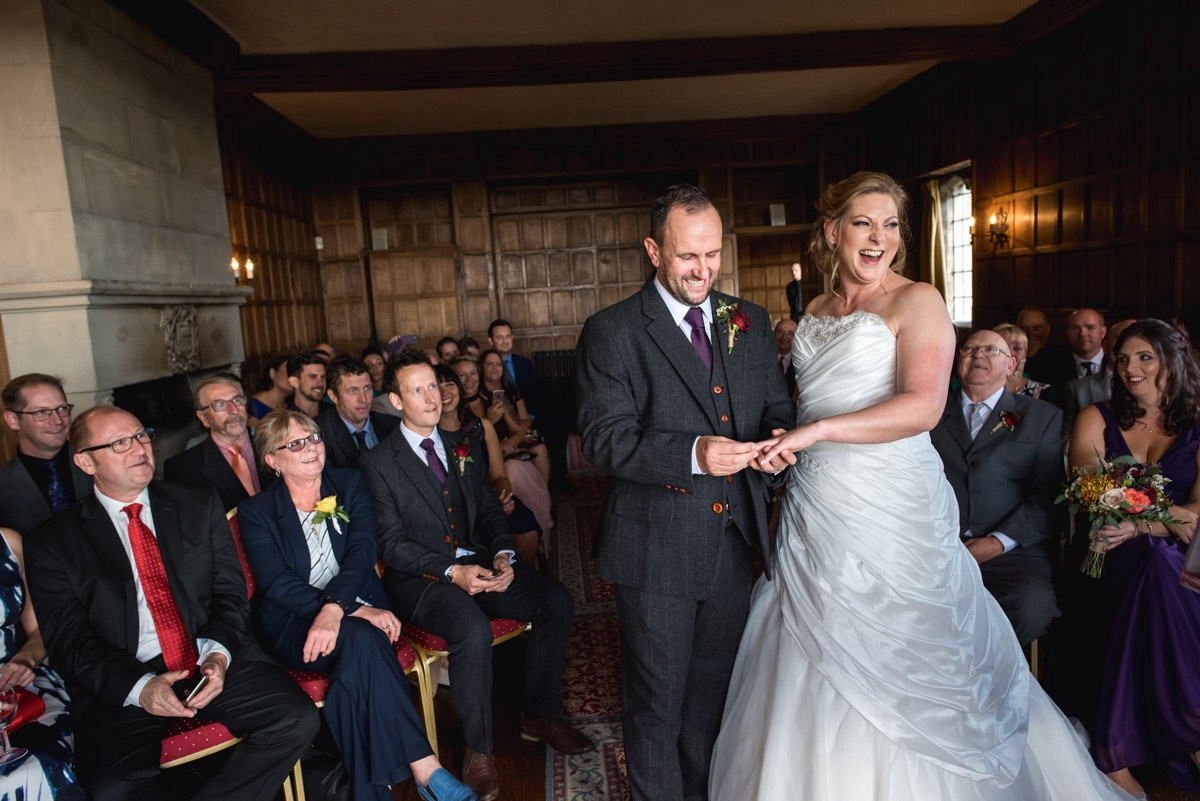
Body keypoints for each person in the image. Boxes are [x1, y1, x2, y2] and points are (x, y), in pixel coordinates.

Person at [709, 171, 1131, 800]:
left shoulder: (919, 300)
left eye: (891, 225)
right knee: (802, 639)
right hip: (815, 505)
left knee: (904, 645)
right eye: (862, 223)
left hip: (891, 506)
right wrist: (783, 445)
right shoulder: (818, 310)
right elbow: (805, 405)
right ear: (832, 231)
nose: (879, 238)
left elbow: (923, 408)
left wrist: (815, 430)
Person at [576, 183, 794, 801]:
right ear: (653, 250)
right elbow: (603, 440)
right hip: (655, 552)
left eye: (712, 254)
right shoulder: (613, 331)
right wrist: (695, 454)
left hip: (733, 544)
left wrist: (779, 444)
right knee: (656, 705)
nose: (703, 270)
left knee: (710, 698)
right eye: (686, 257)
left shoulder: (747, 323)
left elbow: (776, 408)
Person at [25, 405, 319, 801]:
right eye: (119, 443)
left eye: (142, 435)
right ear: (85, 462)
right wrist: (141, 687)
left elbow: (230, 593)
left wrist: (217, 655)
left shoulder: (198, 502)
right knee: (111, 787)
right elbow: (68, 642)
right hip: (125, 676)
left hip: (208, 655)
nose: (139, 449)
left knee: (296, 718)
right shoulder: (53, 542)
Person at [360, 350, 589, 801]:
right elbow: (390, 543)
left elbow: (487, 508)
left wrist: (504, 555)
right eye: (417, 390)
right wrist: (452, 571)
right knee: (470, 628)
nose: (431, 397)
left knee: (555, 601)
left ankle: (538, 717)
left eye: (433, 386)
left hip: (479, 563)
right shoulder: (378, 463)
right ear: (395, 399)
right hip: (421, 581)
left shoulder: (461, 443)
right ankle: (479, 751)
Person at [238, 411, 477, 801]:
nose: (311, 447)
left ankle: (378, 792)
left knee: (358, 660)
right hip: (294, 624)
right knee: (365, 638)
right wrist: (345, 610)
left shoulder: (348, 482)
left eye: (313, 437)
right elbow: (277, 584)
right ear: (272, 461)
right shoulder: (256, 512)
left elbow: (361, 553)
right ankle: (426, 769)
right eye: (294, 444)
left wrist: (339, 608)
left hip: (353, 611)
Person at [1062, 319, 1200, 798]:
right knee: (1155, 567)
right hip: (1104, 550)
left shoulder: (1198, 427)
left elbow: (1198, 520)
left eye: (1144, 357)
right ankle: (1191, 728)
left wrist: (1143, 522)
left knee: (1159, 565)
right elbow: (1089, 489)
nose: (1129, 368)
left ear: (1172, 362)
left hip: (1176, 558)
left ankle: (1115, 746)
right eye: (1122, 358)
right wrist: (1162, 517)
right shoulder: (1095, 418)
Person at [930, 329, 1063, 646]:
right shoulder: (929, 414)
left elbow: (1046, 496)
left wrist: (998, 542)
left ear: (1012, 365)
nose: (978, 355)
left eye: (991, 350)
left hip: (1012, 553)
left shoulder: (1042, 417)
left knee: (1031, 606)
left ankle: (989, 683)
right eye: (970, 349)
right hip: (937, 548)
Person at [0, 526, 86, 800]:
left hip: (17, 685)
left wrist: (26, 658)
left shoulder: (9, 543)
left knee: (43, 764)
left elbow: (40, 630)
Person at [435, 365, 541, 565]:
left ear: (458, 388)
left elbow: (499, 476)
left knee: (526, 525)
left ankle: (521, 579)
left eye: (449, 384)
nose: (444, 392)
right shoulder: (428, 435)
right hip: (454, 511)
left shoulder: (482, 426)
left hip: (488, 501)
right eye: (437, 387)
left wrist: (502, 499)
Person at [455, 356, 552, 534]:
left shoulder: (492, 399)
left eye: (473, 374)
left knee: (516, 468)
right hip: (479, 466)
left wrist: (504, 445)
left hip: (505, 456)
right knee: (512, 470)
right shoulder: (455, 410)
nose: (469, 380)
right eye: (462, 375)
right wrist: (488, 422)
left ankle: (535, 530)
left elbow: (519, 431)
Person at [0, 374, 92, 535]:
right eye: (41, 412)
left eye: (62, 409)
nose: (57, 420)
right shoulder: (4, 486)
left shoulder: (98, 461)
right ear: (13, 420)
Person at [165, 375, 271, 512]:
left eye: (237, 400)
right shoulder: (182, 468)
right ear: (204, 418)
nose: (233, 410)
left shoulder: (273, 445)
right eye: (220, 404)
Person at [477, 349, 550, 485]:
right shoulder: (479, 393)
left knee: (539, 448)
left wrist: (515, 435)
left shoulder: (511, 389)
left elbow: (526, 420)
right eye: (489, 364)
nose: (495, 368)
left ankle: (543, 493)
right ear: (482, 367)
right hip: (493, 440)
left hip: (514, 435)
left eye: (498, 364)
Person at [316, 357, 399, 470]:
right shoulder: (317, 435)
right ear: (333, 396)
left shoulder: (393, 426)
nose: (363, 399)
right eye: (353, 391)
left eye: (367, 388)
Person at [1062, 319, 1135, 437]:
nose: (1129, 344)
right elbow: (1066, 439)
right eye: (1122, 337)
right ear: (1105, 346)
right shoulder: (1077, 389)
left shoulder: (1156, 389)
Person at [487, 320, 539, 419]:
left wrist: (530, 418)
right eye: (499, 337)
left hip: (527, 417)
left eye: (508, 336)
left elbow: (534, 395)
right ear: (490, 340)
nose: (505, 341)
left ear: (512, 337)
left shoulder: (525, 363)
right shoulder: (486, 366)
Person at [993, 323, 1055, 403]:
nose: (1010, 353)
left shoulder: (1042, 391)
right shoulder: (977, 387)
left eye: (1017, 348)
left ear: (1025, 353)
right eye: (1003, 347)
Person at [249, 355, 293, 426]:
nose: (292, 376)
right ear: (272, 373)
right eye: (288, 370)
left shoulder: (291, 405)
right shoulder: (254, 405)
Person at [286, 352, 327, 418]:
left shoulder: (334, 413)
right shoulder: (284, 418)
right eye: (313, 377)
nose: (321, 383)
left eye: (323, 377)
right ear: (294, 382)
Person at [773, 318, 798, 397]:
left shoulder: (800, 362)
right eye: (780, 332)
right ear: (773, 333)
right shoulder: (762, 359)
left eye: (790, 333)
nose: (784, 337)